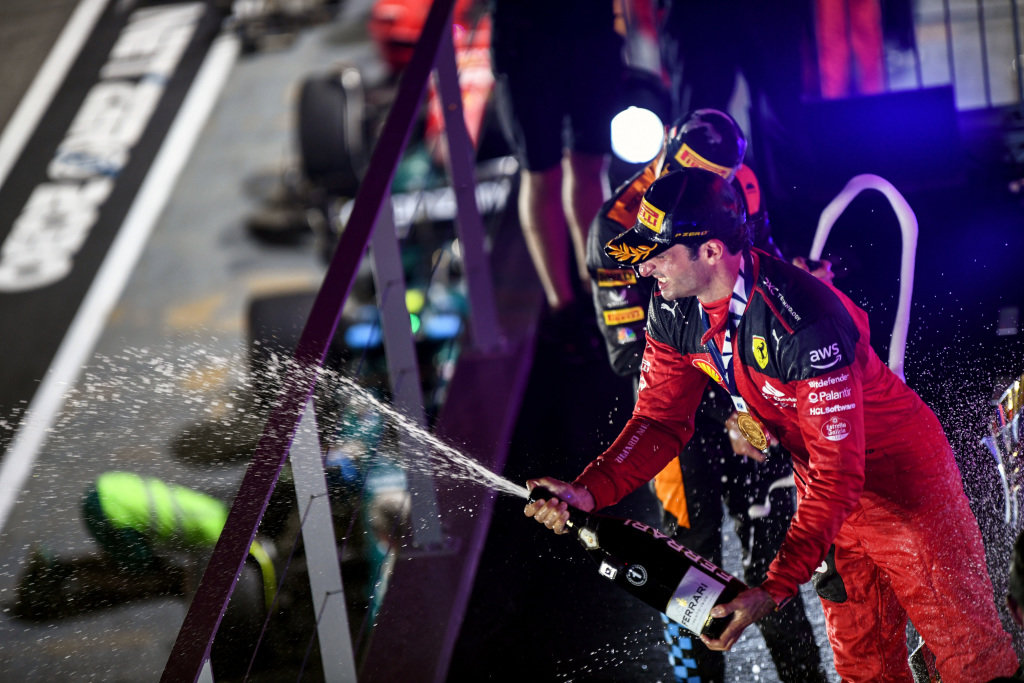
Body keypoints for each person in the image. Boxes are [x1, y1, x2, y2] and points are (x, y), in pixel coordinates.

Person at [527, 167, 1020, 681]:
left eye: (658, 252)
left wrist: (776, 585)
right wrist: (588, 491)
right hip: (827, 498)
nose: (644, 268)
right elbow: (658, 419)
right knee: (863, 667)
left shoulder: (801, 320)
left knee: (972, 658)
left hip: (901, 490)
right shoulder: (674, 308)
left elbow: (839, 473)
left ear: (712, 251)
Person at [586, 108, 826, 682]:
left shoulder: (739, 188)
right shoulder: (617, 226)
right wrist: (730, 414)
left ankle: (806, 678)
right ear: (668, 152)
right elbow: (628, 357)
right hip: (675, 389)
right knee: (685, 557)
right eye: (696, 173)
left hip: (744, 386)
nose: (719, 187)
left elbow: (753, 285)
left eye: (723, 179)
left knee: (767, 536)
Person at [489, 0, 625, 320]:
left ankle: (601, 294)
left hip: (589, 23)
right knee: (540, 170)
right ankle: (562, 308)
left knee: (590, 162)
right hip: (524, 33)